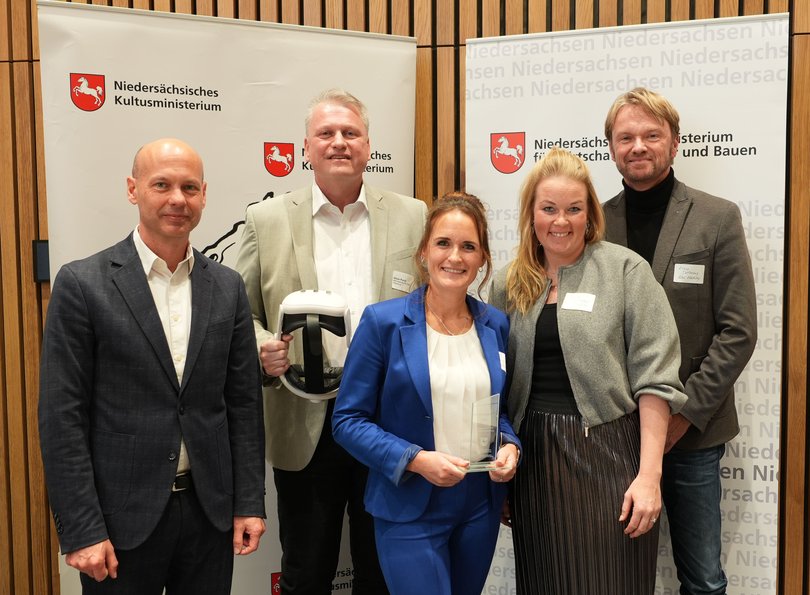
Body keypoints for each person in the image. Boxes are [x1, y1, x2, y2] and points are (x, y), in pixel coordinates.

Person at [38, 138, 266, 594]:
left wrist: (249, 502)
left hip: (210, 515)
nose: (177, 199)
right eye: (161, 185)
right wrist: (83, 528)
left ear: (204, 195)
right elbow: (62, 417)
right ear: (133, 189)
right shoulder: (83, 284)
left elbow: (243, 405)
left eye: (189, 187)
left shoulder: (227, 287)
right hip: (119, 522)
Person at [234, 88, 427, 595]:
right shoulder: (267, 219)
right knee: (306, 571)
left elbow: (436, 306)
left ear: (368, 145)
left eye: (350, 133)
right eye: (326, 134)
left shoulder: (413, 216)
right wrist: (260, 347)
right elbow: (242, 314)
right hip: (304, 426)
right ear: (306, 148)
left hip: (388, 423)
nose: (339, 142)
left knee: (381, 571)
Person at [489, 147, 688, 594]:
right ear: (531, 213)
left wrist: (649, 476)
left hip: (611, 457)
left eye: (574, 209)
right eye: (549, 209)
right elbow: (491, 383)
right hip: (533, 461)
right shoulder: (507, 283)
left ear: (590, 213)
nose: (561, 221)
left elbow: (656, 381)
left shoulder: (624, 271)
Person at [603, 87, 757, 595]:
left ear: (674, 143)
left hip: (694, 434)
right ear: (611, 147)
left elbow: (738, 331)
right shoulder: (594, 224)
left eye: (651, 135)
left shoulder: (717, 217)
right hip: (614, 429)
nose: (638, 146)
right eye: (626, 137)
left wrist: (681, 416)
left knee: (703, 578)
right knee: (615, 571)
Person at [332, 192, 520, 595]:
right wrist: (415, 460)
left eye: (468, 246)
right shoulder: (382, 323)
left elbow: (498, 411)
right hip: (408, 505)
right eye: (443, 243)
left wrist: (510, 447)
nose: (455, 256)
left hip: (478, 505)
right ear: (423, 252)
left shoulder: (496, 326)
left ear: (483, 258)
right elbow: (347, 422)